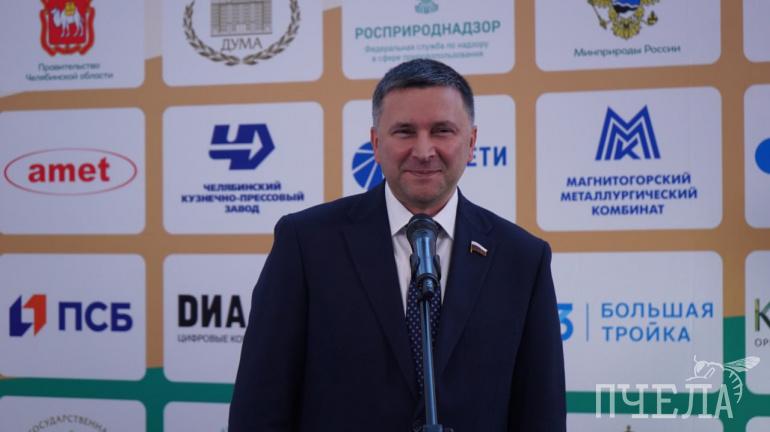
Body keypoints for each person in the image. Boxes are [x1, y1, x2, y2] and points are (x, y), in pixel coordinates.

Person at [229, 58, 566, 431]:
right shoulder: (305, 243)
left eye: (442, 131)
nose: (423, 151)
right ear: (376, 143)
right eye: (404, 131)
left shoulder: (522, 258)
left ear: (471, 142)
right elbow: (259, 406)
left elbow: (541, 413)